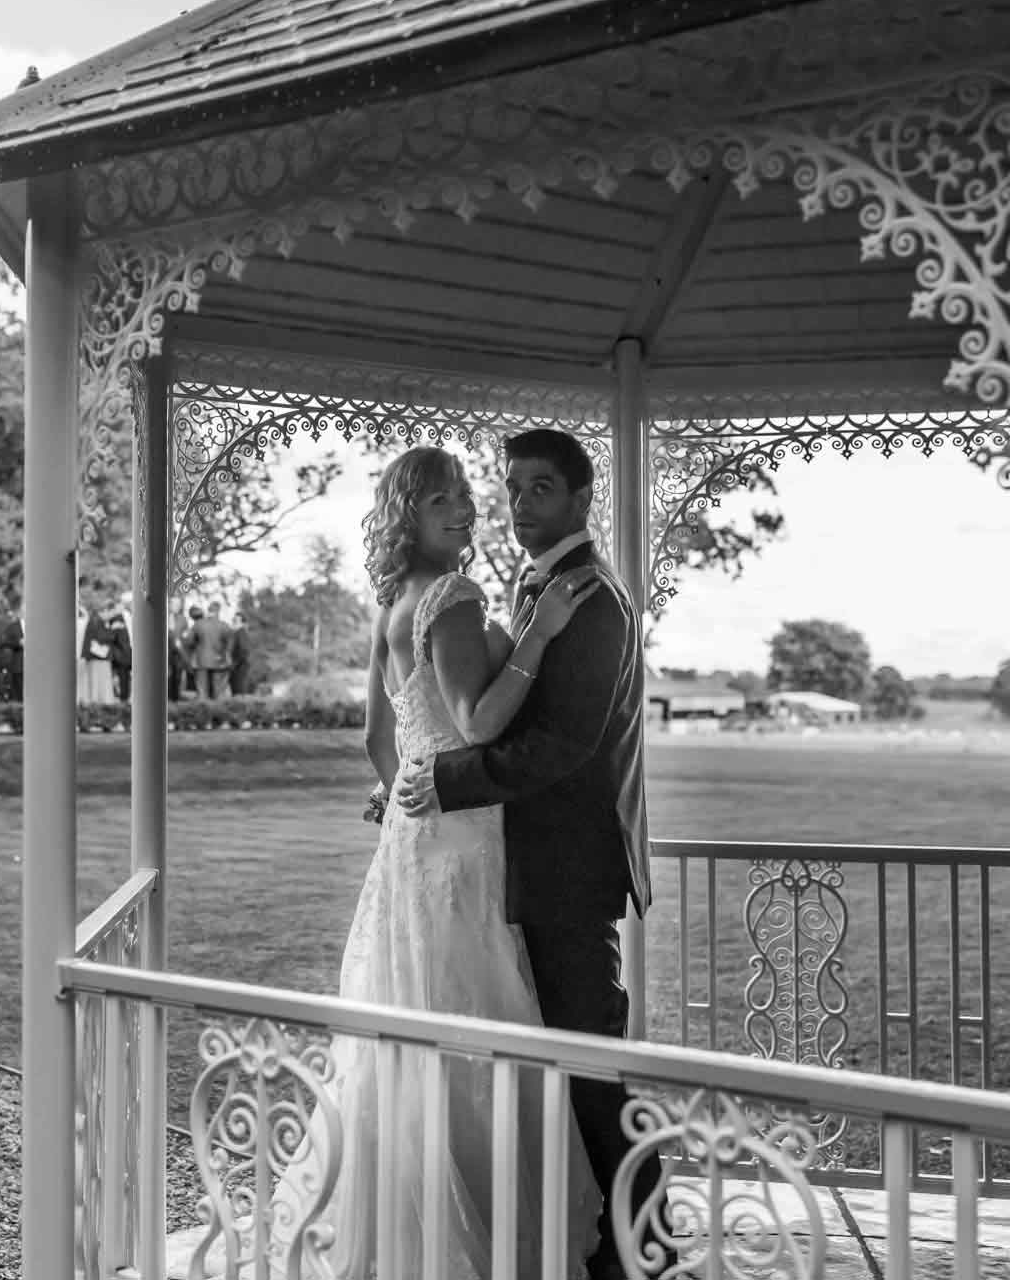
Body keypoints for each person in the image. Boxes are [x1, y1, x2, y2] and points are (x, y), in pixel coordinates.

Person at [217, 445, 604, 1280]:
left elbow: (377, 739)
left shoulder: (392, 598)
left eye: (467, 495)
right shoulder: (452, 596)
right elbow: (478, 725)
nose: (464, 510)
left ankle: (398, 1225)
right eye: (442, 502)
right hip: (463, 843)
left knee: (415, 1012)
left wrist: (400, 802)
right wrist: (537, 633)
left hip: (413, 846)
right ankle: (477, 1231)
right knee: (474, 1013)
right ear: (408, 516)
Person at [396, 428, 665, 1280]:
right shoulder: (540, 585)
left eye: (538, 489)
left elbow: (563, 745)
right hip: (526, 870)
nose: (517, 504)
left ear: (582, 500)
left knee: (593, 1065)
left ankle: (646, 1253)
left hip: (569, 875)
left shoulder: (594, 601)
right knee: (568, 1063)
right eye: (511, 487)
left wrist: (448, 778)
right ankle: (587, 1239)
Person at [184, 601, 234, 700]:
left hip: (201, 661)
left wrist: (196, 647)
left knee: (202, 692)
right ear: (218, 611)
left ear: (209, 611)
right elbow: (230, 644)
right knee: (218, 693)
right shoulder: (224, 626)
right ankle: (217, 713)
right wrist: (226, 655)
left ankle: (202, 712)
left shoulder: (198, 624)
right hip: (219, 662)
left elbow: (189, 642)